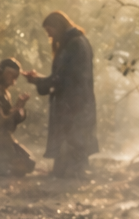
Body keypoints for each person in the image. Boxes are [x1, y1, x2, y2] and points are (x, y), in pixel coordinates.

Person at [23, 11, 99, 178]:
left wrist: (37, 81)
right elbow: (63, 77)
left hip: (73, 104)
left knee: (72, 138)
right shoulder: (78, 42)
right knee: (73, 138)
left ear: (57, 27)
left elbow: (61, 79)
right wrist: (38, 80)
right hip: (78, 102)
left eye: (49, 30)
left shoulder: (73, 44)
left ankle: (70, 174)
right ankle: (67, 172)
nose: (49, 35)